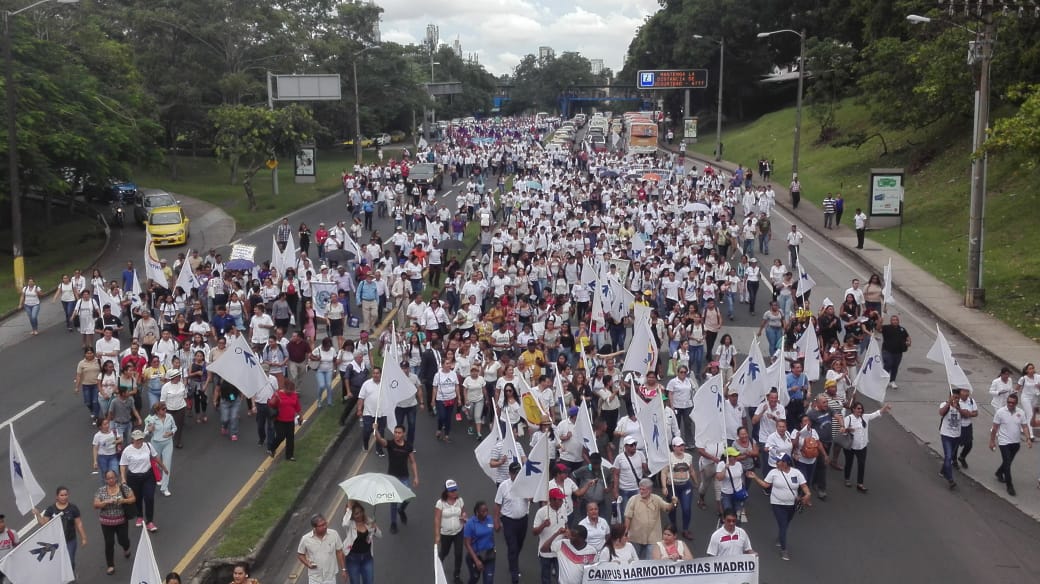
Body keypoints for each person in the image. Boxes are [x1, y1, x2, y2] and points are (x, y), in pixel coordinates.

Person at [747, 454, 811, 561]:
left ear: (786, 463)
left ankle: (780, 537)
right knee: (783, 524)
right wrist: (755, 477)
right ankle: (784, 549)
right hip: (777, 503)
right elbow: (766, 485)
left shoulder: (796, 473)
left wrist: (808, 494)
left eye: (779, 461)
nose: (776, 463)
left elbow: (803, 486)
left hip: (791, 504)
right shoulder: (773, 473)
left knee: (786, 523)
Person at [373, 425, 418, 534]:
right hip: (392, 478)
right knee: (393, 501)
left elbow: (413, 462)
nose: (397, 434)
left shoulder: (408, 446)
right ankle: (393, 523)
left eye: (399, 433)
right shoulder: (390, 444)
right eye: (395, 432)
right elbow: (380, 440)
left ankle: (401, 510)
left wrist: (416, 477)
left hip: (404, 477)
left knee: (408, 498)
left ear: (404, 434)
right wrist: (376, 430)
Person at [120, 429, 167, 532]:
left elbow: (155, 457)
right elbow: (123, 465)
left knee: (149, 497)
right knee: (137, 498)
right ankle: (140, 516)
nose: (139, 441)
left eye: (141, 439)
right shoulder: (127, 450)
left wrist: (163, 467)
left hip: (148, 476)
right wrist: (123, 478)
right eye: (137, 439)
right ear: (132, 439)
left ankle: (150, 521)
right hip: (133, 477)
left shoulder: (148, 446)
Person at [33, 486, 88, 571]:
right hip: (55, 542)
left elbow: (79, 524)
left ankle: (71, 576)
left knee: (70, 560)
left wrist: (84, 538)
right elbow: (44, 523)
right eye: (61, 495)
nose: (64, 497)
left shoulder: (73, 508)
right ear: (57, 497)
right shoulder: (51, 509)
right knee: (58, 562)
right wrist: (37, 514)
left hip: (70, 540)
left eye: (66, 495)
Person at [842, 401, 893, 492]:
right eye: (858, 408)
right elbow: (843, 431)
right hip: (850, 446)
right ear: (853, 409)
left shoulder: (865, 417)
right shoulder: (848, 418)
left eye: (861, 409)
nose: (860, 410)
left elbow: (876, 413)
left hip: (862, 446)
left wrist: (885, 407)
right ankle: (847, 479)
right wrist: (848, 429)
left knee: (861, 464)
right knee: (849, 463)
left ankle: (860, 484)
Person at [93, 470, 135, 575]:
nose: (111, 480)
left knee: (123, 540)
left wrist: (123, 500)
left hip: (121, 521)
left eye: (112, 478)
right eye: (108, 478)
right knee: (109, 543)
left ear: (116, 478)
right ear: (105, 480)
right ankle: (110, 565)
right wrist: (105, 502)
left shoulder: (123, 488)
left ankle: (126, 548)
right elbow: (96, 505)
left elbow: (133, 498)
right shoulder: (101, 490)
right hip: (106, 522)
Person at [623, 478, 678, 559]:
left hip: (653, 538)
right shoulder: (633, 500)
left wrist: (673, 503)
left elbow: (667, 508)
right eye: (640, 489)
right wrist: (625, 533)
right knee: (634, 561)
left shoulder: (657, 499)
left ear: (650, 490)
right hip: (635, 537)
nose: (641, 491)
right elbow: (628, 517)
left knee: (650, 563)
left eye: (643, 489)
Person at [990, 392, 1032, 497]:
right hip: (1004, 442)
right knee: (1008, 463)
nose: (1010, 404)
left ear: (1016, 403)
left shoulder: (1021, 412)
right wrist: (992, 441)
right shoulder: (1000, 412)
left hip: (1016, 443)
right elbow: (995, 428)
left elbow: (1025, 426)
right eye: (1009, 402)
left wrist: (1028, 438)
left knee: (1007, 462)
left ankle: (999, 472)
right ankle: (1009, 485)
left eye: (1013, 403)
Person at [494, 462, 530, 584]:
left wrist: (530, 496)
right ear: (510, 473)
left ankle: (513, 560)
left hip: (523, 520)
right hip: (508, 521)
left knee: (519, 545)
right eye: (515, 473)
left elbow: (532, 500)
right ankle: (514, 575)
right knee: (513, 547)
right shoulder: (503, 486)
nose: (517, 475)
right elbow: (497, 504)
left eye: (519, 473)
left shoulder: (525, 484)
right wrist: (496, 521)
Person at [661, 437, 695, 540]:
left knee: (686, 508)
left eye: (682, 445)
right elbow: (664, 472)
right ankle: (673, 527)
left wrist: (696, 482)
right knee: (673, 507)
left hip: (685, 486)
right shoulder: (668, 457)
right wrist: (664, 487)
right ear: (673, 447)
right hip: (672, 487)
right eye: (678, 445)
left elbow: (691, 470)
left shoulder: (688, 457)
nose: (681, 447)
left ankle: (685, 529)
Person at [296, 514, 346, 584]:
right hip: (314, 578)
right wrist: (308, 564)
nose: (325, 527)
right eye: (321, 525)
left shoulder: (334, 534)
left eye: (325, 524)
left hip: (330, 577)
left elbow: (339, 552)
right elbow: (300, 554)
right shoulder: (306, 539)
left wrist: (343, 569)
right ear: (314, 527)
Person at [533, 488, 569, 584]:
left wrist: (566, 531)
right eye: (559, 499)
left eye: (562, 499)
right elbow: (534, 532)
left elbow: (565, 524)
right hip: (545, 552)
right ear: (552, 500)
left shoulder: (563, 509)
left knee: (561, 578)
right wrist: (543, 525)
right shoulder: (541, 512)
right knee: (546, 579)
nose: (562, 501)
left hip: (559, 551)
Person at [434, 480, 466, 584]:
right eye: (452, 491)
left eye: (455, 490)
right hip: (446, 533)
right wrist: (437, 535)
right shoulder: (440, 503)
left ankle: (456, 575)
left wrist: (464, 517)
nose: (454, 493)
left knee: (459, 553)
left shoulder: (460, 501)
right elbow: (437, 519)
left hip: (458, 532)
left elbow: (463, 513)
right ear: (447, 492)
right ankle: (438, 566)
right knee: (444, 552)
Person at [342, 502, 380, 584]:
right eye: (356, 513)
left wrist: (374, 528)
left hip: (367, 558)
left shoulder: (368, 521)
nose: (359, 515)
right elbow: (344, 523)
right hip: (353, 559)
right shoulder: (350, 524)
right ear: (352, 515)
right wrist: (349, 508)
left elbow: (379, 535)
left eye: (360, 512)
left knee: (369, 582)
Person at [144, 402, 177, 496]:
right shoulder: (151, 419)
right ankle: (157, 477)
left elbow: (175, 427)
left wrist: (171, 432)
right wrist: (150, 429)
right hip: (156, 444)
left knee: (167, 464)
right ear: (157, 411)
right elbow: (145, 432)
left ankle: (164, 488)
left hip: (168, 443)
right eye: (163, 409)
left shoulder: (169, 417)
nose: (165, 410)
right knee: (156, 464)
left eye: (166, 408)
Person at [939, 389, 968, 490]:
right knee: (948, 456)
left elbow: (966, 415)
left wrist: (958, 408)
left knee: (950, 456)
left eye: (958, 398)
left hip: (956, 436)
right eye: (954, 397)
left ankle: (943, 471)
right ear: (950, 397)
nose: (956, 399)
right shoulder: (944, 404)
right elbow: (941, 412)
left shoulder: (961, 406)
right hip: (946, 435)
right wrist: (949, 403)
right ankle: (950, 479)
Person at [268, 379, 303, 461]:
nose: (290, 392)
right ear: (285, 388)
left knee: (290, 438)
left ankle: (289, 456)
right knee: (280, 436)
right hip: (279, 420)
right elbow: (271, 404)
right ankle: (272, 448)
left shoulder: (294, 395)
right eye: (289, 390)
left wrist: (301, 415)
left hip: (290, 420)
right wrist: (275, 398)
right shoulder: (278, 394)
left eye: (292, 390)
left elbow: (297, 406)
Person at [357, 367, 388, 456]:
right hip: (368, 413)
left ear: (380, 374)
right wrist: (359, 409)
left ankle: (379, 449)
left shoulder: (385, 384)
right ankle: (365, 445)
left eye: (377, 373)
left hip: (382, 413)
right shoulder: (366, 384)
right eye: (374, 373)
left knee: (380, 432)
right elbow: (361, 398)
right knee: (367, 431)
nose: (375, 375)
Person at [463, 501, 496, 584]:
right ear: (477, 512)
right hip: (475, 556)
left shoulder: (490, 519)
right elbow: (467, 544)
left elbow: (496, 529)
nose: (486, 513)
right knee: (475, 578)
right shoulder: (470, 524)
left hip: (489, 555)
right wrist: (476, 561)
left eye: (486, 510)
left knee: (489, 581)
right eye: (483, 511)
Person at [880, 316, 910, 390]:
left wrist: (909, 342)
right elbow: (878, 329)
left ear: (898, 321)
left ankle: (892, 381)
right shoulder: (886, 328)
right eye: (893, 320)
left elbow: (907, 337)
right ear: (890, 321)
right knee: (888, 364)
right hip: (887, 350)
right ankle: (884, 380)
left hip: (898, 352)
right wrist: (879, 321)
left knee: (895, 366)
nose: (895, 321)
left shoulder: (902, 329)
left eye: (896, 320)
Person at [951, 387, 979, 470]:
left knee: (969, 445)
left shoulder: (971, 401)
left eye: (968, 391)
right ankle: (954, 460)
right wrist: (962, 412)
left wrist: (969, 414)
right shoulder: (956, 401)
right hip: (958, 426)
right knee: (955, 445)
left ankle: (962, 457)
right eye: (964, 391)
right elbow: (953, 414)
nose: (967, 393)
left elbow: (976, 413)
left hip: (968, 426)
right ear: (960, 392)